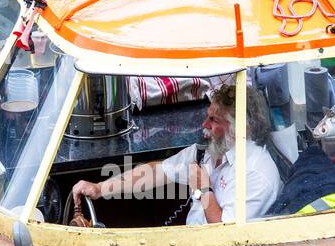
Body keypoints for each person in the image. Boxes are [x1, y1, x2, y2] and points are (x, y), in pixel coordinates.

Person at [70, 83, 281, 224]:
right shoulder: (211, 149)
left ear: (239, 128)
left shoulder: (256, 174)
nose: (204, 125)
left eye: (214, 120)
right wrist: (99, 188)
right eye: (207, 117)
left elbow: (227, 235)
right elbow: (157, 171)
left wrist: (205, 190)